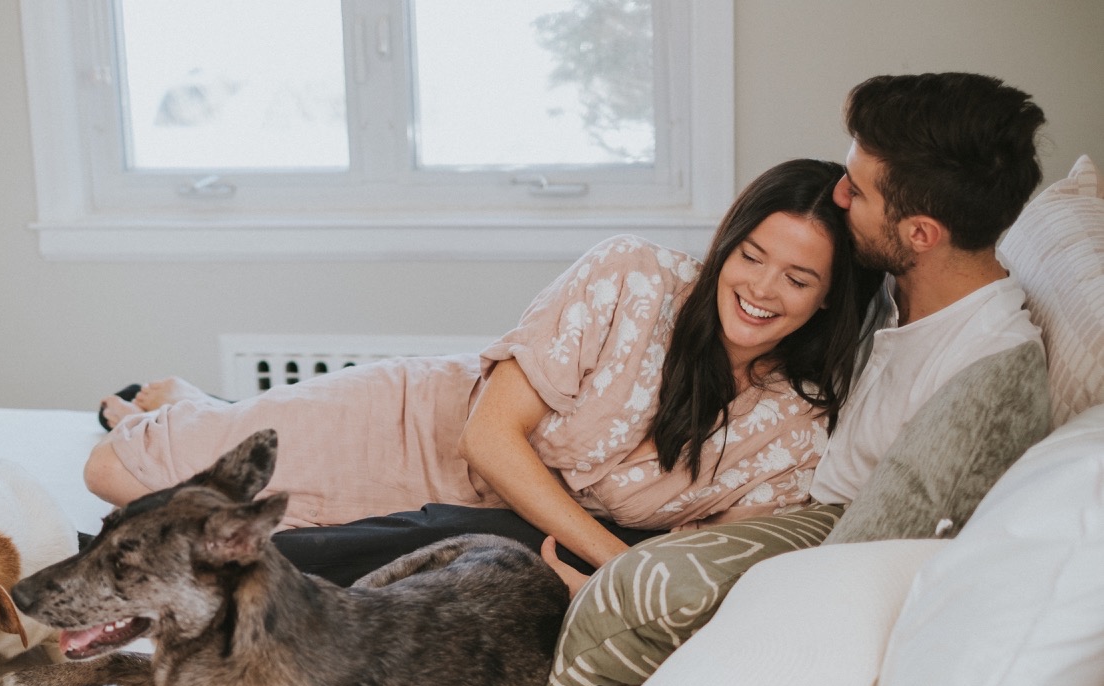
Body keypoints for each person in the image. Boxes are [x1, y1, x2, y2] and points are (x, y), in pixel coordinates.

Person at [87, 159, 875, 586]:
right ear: (725, 246)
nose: (763, 290)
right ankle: (199, 410)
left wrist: (623, 587)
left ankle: (211, 408)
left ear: (829, 302)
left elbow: (710, 562)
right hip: (428, 429)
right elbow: (490, 438)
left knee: (253, 553)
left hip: (499, 531)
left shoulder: (798, 432)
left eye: (798, 280)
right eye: (751, 256)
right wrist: (614, 563)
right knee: (117, 470)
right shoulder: (634, 276)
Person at [809, 72, 1047, 506]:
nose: (838, 195)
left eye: (857, 191)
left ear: (921, 234)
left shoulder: (980, 369)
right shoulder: (885, 273)